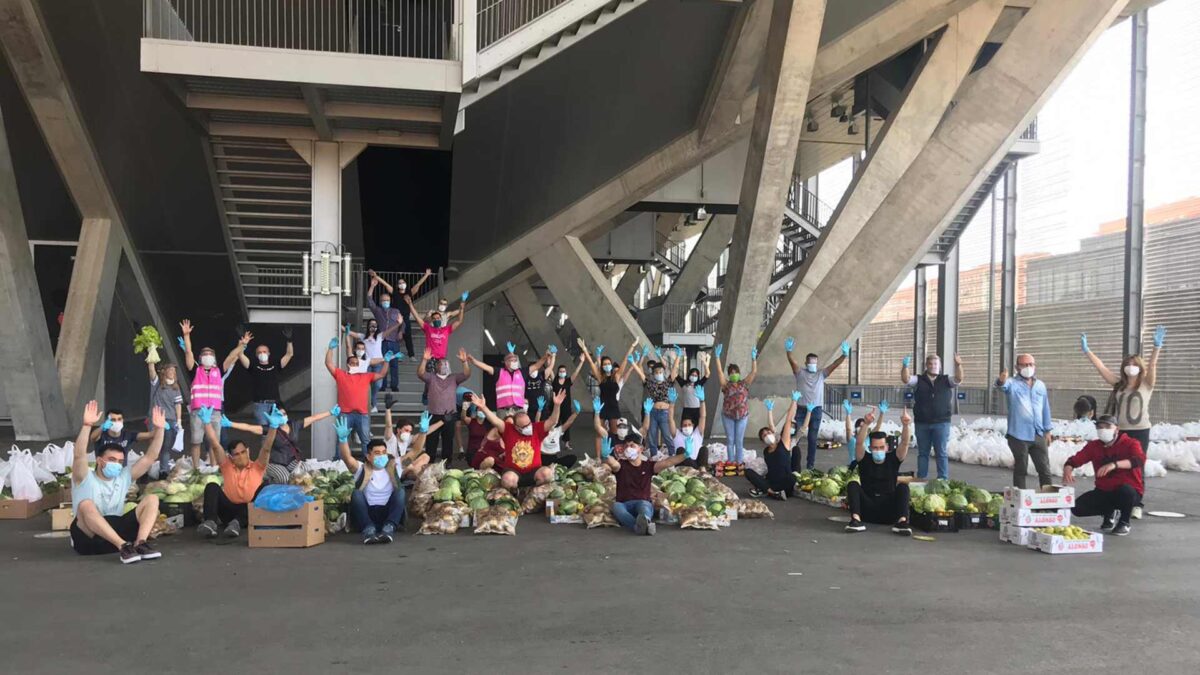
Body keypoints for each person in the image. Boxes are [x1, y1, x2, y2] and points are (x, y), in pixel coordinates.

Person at [1081, 325, 1164, 519]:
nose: (1130, 366)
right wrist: (1088, 351)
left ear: (1139, 366)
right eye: (1127, 363)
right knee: (1114, 465)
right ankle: (1114, 502)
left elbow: (1152, 367)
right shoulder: (1119, 385)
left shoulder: (1147, 384)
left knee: (1136, 466)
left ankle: (1137, 503)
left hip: (1141, 430)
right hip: (1120, 431)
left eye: (1134, 363)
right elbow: (1101, 368)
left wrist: (1156, 347)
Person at [69, 401, 167, 563]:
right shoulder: (84, 477)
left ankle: (141, 543)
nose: (117, 464)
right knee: (85, 504)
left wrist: (161, 428)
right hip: (88, 539)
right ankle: (123, 547)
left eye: (120, 461)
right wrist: (87, 425)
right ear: (100, 461)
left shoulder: (123, 476)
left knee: (152, 499)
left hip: (115, 530)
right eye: (112, 459)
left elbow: (150, 457)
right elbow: (79, 455)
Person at [336, 414, 433, 543]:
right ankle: (368, 529)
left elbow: (415, 451)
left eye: (383, 453)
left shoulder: (395, 466)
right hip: (368, 512)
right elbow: (347, 458)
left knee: (400, 491)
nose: (381, 456)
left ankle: (389, 528)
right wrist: (343, 440)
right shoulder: (360, 468)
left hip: (387, 512)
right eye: (377, 453)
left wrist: (423, 432)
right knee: (356, 494)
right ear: (368, 456)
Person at [195, 407, 278, 539]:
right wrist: (206, 423)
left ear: (248, 451)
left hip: (249, 511)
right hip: (228, 510)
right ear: (231, 457)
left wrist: (273, 427)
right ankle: (210, 522)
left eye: (243, 452)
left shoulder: (257, 466)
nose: (241, 456)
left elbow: (266, 449)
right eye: (237, 454)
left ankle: (237, 524)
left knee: (265, 487)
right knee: (212, 486)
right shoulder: (227, 465)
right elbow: (215, 445)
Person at [1062, 414, 1145, 536]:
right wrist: (1068, 468)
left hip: (1129, 491)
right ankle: (1109, 511)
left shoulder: (1131, 443)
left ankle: (1124, 522)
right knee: (1078, 508)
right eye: (1100, 427)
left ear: (1116, 429)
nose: (1103, 430)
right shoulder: (1094, 446)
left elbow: (1139, 460)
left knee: (1125, 491)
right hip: (1104, 490)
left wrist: (1114, 465)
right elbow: (1077, 459)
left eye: (1107, 426)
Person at [603, 424, 689, 536]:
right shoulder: (621, 465)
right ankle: (640, 526)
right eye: (626, 446)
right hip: (624, 504)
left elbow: (668, 462)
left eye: (632, 446)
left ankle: (641, 523)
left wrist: (685, 455)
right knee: (616, 507)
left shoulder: (648, 466)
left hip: (642, 502)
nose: (628, 448)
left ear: (641, 449)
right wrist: (606, 456)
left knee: (644, 507)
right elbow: (613, 464)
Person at [180, 319, 243, 467]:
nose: (207, 355)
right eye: (204, 354)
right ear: (200, 358)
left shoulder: (218, 370)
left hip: (215, 411)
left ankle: (214, 468)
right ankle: (196, 468)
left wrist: (242, 344)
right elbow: (189, 352)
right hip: (198, 411)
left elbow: (231, 356)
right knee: (196, 441)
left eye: (210, 354)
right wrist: (187, 335)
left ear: (214, 358)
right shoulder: (195, 370)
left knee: (215, 442)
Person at [476, 389, 567, 490]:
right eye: (524, 426)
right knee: (507, 480)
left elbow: (553, 421)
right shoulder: (508, 429)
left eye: (529, 423)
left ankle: (535, 493)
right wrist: (483, 407)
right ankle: (515, 495)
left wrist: (557, 405)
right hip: (514, 472)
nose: (529, 427)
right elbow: (495, 421)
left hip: (534, 471)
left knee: (547, 474)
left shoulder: (536, 428)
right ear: (516, 426)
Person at [224, 405, 338, 485]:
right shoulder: (271, 429)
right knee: (284, 478)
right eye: (279, 414)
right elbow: (250, 428)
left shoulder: (294, 425)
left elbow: (313, 418)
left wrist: (330, 412)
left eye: (284, 413)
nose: (282, 416)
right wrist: (230, 424)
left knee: (306, 473)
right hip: (274, 462)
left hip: (291, 460)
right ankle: (270, 481)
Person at [845, 407, 913, 535]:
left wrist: (905, 425)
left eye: (881, 447)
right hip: (868, 509)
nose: (878, 450)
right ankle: (856, 520)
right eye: (875, 448)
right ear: (870, 448)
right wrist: (866, 424)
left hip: (889, 510)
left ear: (887, 447)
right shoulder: (864, 459)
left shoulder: (893, 458)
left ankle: (902, 522)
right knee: (852, 484)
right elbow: (859, 444)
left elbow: (904, 443)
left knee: (903, 487)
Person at [785, 338, 849, 471]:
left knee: (812, 439)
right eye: (810, 363)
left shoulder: (821, 374)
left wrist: (844, 355)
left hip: (816, 410)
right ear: (806, 363)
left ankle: (810, 465)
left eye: (815, 363)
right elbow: (792, 362)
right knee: (796, 438)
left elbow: (834, 365)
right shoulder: (800, 373)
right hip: (802, 410)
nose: (813, 365)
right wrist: (789, 351)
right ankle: (793, 464)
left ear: (817, 363)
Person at [900, 352, 964, 480]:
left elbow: (959, 379)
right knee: (923, 453)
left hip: (941, 422)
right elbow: (906, 379)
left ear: (939, 366)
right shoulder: (919, 379)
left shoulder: (946, 380)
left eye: (935, 363)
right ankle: (921, 478)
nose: (933, 366)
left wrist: (959, 365)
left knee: (941, 453)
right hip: (922, 423)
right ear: (926, 366)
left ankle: (943, 479)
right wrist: (905, 366)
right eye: (930, 363)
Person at [326, 335, 392, 454]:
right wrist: (330, 349)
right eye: (352, 363)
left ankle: (368, 463)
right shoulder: (341, 375)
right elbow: (328, 364)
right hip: (345, 414)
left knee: (365, 440)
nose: (355, 364)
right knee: (342, 440)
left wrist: (386, 362)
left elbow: (381, 374)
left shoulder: (365, 376)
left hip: (362, 414)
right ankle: (338, 464)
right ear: (348, 365)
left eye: (356, 363)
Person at [995, 354, 1053, 489]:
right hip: (1018, 435)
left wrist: (1047, 430)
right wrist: (1000, 381)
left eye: (1031, 364)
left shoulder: (1040, 386)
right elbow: (1001, 386)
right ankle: (1020, 500)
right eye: (1024, 364)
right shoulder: (1012, 383)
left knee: (1044, 469)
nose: (1028, 367)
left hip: (1038, 434)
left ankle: (1048, 502)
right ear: (1017, 367)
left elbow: (1045, 408)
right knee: (1021, 469)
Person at [404, 290, 466, 404]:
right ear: (432, 320)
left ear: (441, 320)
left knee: (446, 380)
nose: (437, 319)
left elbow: (460, 321)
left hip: (442, 359)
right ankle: (426, 394)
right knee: (430, 380)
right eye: (435, 318)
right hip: (431, 358)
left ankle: (443, 398)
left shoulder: (446, 329)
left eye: (438, 318)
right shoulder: (428, 328)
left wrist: (462, 308)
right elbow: (417, 317)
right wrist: (410, 304)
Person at [417, 347, 471, 462]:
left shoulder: (454, 378)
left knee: (448, 441)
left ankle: (447, 462)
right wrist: (424, 360)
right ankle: (429, 462)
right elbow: (420, 373)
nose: (444, 365)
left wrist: (464, 362)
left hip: (450, 415)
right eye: (441, 363)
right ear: (436, 366)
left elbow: (467, 374)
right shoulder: (431, 377)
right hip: (433, 415)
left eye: (446, 363)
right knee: (431, 440)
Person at [747, 395, 807, 499]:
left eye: (768, 433)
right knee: (748, 472)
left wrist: (794, 401)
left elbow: (788, 420)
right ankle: (772, 492)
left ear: (773, 434)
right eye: (764, 435)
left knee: (793, 477)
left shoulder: (783, 443)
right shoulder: (766, 451)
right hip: (772, 482)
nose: (767, 435)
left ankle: (769, 491)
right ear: (763, 440)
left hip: (785, 482)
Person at [579, 337, 639, 433]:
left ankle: (613, 448)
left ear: (611, 365)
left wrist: (632, 346)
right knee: (600, 433)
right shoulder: (600, 377)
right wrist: (585, 350)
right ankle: (601, 449)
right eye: (605, 364)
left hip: (613, 406)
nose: (607, 365)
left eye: (609, 363)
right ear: (602, 366)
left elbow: (625, 360)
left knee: (615, 433)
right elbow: (591, 362)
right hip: (602, 406)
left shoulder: (616, 376)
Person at [713, 343, 758, 466]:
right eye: (731, 372)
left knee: (739, 440)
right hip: (728, 415)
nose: (733, 374)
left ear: (739, 373)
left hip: (743, 416)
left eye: (735, 372)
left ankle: (739, 462)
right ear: (729, 374)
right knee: (730, 440)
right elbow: (719, 372)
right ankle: (731, 461)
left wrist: (754, 358)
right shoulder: (726, 385)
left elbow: (754, 372)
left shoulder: (744, 383)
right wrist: (717, 358)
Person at [236, 329, 294, 425]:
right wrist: (242, 342)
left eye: (264, 351)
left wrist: (289, 340)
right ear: (256, 355)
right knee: (264, 431)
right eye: (259, 352)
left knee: (279, 430)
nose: (262, 353)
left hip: (276, 404)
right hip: (260, 405)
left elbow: (289, 354)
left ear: (269, 353)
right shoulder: (253, 365)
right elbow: (240, 354)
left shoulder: (275, 365)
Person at [367, 270, 406, 391]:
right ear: (380, 301)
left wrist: (401, 332)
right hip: (382, 342)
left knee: (394, 364)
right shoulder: (378, 310)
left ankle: (394, 385)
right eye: (383, 300)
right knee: (383, 363)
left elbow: (403, 323)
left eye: (387, 300)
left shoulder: (396, 311)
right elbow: (369, 300)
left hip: (394, 341)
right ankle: (383, 385)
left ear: (390, 301)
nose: (385, 302)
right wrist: (372, 286)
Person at [630, 353, 675, 455]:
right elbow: (641, 375)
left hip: (664, 412)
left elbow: (673, 371)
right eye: (656, 372)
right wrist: (633, 363)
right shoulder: (651, 384)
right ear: (653, 374)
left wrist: (677, 358)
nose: (659, 373)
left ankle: (673, 454)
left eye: (660, 372)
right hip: (653, 412)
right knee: (652, 435)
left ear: (663, 372)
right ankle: (654, 455)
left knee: (667, 435)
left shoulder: (668, 383)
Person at [146, 359, 184, 475]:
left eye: (174, 370)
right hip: (157, 420)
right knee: (154, 448)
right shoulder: (157, 384)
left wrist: (179, 420)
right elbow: (151, 370)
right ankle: (145, 471)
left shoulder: (175, 388)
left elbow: (178, 405)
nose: (172, 371)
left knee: (166, 448)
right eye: (170, 369)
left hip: (170, 421)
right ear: (164, 371)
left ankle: (163, 471)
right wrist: (151, 356)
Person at [349, 318, 394, 411]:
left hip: (378, 363)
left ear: (377, 327)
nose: (373, 326)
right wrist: (341, 326)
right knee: (366, 385)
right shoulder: (363, 337)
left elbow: (390, 330)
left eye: (375, 324)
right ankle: (372, 405)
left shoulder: (380, 336)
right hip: (367, 364)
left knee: (377, 385)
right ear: (368, 326)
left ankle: (372, 404)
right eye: (371, 324)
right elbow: (350, 333)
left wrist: (399, 323)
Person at [667, 385, 708, 469]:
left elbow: (703, 416)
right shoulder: (677, 435)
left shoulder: (698, 433)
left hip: (696, 463)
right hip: (683, 465)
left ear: (693, 425)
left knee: (704, 449)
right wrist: (671, 404)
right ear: (681, 427)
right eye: (684, 425)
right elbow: (670, 419)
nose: (687, 427)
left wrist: (702, 401)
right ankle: (698, 471)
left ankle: (702, 470)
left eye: (689, 425)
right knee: (680, 450)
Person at [550, 355, 585, 449]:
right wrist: (550, 359)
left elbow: (576, 373)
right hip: (555, 406)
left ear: (566, 372)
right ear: (558, 372)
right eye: (560, 371)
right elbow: (549, 369)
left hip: (566, 406)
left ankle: (566, 443)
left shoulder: (568, 381)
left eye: (564, 371)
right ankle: (553, 441)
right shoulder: (554, 380)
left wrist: (581, 362)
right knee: (555, 424)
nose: (562, 372)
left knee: (567, 423)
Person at [88, 408, 154, 457]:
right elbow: (92, 437)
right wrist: (101, 428)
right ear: (107, 421)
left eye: (119, 419)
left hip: (121, 471)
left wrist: (161, 426)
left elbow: (150, 435)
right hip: (102, 471)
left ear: (122, 420)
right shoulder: (102, 434)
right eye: (113, 420)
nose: (117, 422)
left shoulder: (127, 435)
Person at [841, 400, 884, 466]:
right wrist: (848, 414)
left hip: (868, 465)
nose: (861, 428)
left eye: (863, 426)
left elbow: (877, 427)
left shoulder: (868, 438)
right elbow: (848, 429)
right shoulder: (851, 440)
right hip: (855, 466)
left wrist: (882, 413)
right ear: (855, 428)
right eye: (859, 426)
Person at [540, 399, 581, 468]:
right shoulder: (541, 430)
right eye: (550, 420)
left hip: (554, 459)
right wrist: (539, 410)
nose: (552, 422)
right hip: (542, 459)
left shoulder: (558, 430)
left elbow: (569, 422)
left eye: (554, 420)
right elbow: (537, 421)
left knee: (572, 458)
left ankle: (554, 470)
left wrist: (576, 413)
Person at [675, 351, 710, 426]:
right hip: (687, 410)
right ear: (689, 375)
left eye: (695, 375)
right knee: (685, 428)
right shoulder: (684, 383)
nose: (694, 376)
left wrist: (704, 362)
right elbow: (675, 374)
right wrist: (678, 358)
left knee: (697, 428)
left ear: (698, 377)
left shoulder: (699, 384)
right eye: (692, 374)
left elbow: (707, 374)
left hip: (697, 409)